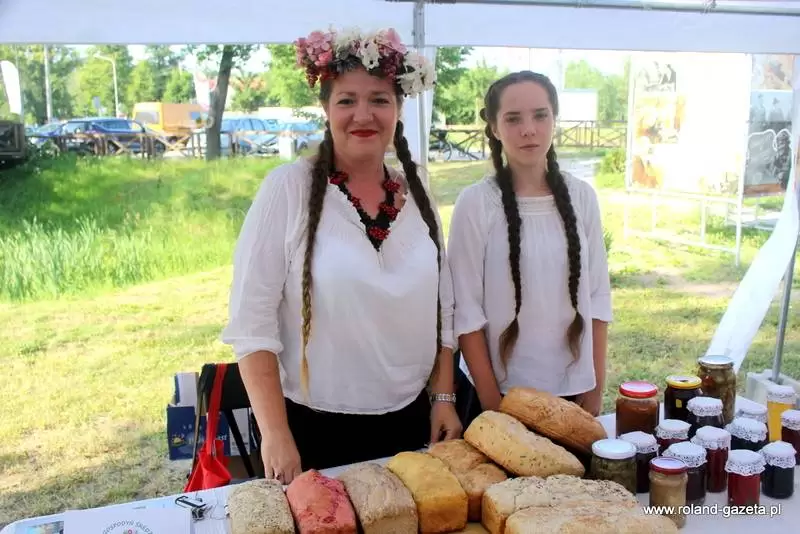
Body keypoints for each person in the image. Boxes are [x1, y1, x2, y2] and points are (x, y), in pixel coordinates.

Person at [221, 27, 462, 484]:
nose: (363, 115)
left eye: (379, 100)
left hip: (411, 419)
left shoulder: (418, 190)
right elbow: (252, 324)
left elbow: (443, 306)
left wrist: (444, 398)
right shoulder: (288, 188)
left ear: (398, 108)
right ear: (326, 109)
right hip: (313, 427)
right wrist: (275, 433)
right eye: (347, 100)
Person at [448, 71, 612, 429]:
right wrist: (494, 406)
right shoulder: (476, 203)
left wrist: (596, 383)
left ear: (554, 119)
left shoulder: (582, 197)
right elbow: (466, 312)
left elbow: (598, 297)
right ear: (494, 127)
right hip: (497, 396)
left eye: (540, 115)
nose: (529, 130)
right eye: (513, 119)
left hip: (572, 393)